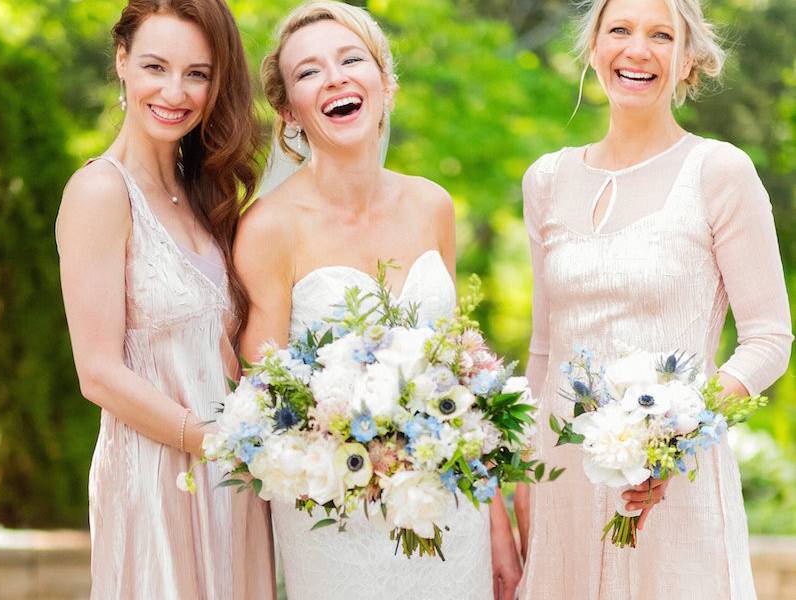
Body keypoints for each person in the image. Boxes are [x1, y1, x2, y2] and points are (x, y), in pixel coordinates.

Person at [235, 2, 522, 599]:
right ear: (289, 111)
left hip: (451, 510)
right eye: (309, 72)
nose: (335, 77)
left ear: (384, 83)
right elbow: (264, 396)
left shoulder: (432, 205)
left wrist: (497, 525)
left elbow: (462, 377)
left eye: (351, 59)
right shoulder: (268, 228)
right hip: (338, 521)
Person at [516, 0, 792, 597]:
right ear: (593, 49)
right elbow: (545, 347)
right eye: (619, 30)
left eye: (661, 35)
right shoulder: (545, 180)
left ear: (688, 60)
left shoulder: (719, 171)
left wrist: (672, 437)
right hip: (564, 482)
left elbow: (769, 339)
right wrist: (524, 482)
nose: (637, 49)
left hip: (677, 482)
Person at [55, 1, 274, 597]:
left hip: (232, 479)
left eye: (197, 74)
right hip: (155, 476)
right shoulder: (100, 192)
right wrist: (214, 442)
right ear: (122, 60)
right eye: (156, 66)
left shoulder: (207, 194)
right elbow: (97, 373)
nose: (175, 91)